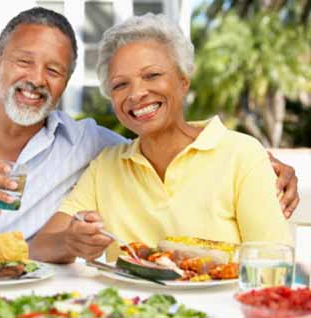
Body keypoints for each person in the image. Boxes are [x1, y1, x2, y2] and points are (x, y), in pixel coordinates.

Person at [0, 8, 298, 265]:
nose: (35, 80)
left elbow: (276, 266)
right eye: (23, 62)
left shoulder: (92, 148)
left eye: (53, 70)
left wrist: (260, 164)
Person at [30, 13, 295, 263]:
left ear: (183, 81)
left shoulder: (243, 155)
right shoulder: (106, 166)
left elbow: (272, 261)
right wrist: (70, 242)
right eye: (120, 85)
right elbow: (40, 246)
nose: (136, 94)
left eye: (152, 75)